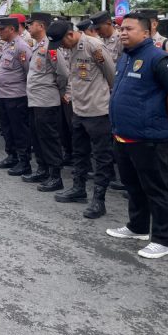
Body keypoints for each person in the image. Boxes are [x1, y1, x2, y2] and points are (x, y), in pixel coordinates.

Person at [106, 12, 168, 260]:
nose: (122, 33)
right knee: (133, 186)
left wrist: (162, 115)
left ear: (146, 31)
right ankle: (138, 227)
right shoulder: (126, 58)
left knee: (157, 189)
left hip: (149, 138)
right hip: (124, 135)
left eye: (128, 29)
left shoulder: (158, 58)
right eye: (121, 29)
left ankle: (162, 240)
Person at [48, 18, 116, 219]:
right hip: (78, 109)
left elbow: (111, 75)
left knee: (102, 157)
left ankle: (99, 200)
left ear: (70, 34)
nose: (61, 47)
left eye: (62, 42)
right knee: (80, 152)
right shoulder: (68, 48)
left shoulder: (93, 45)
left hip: (97, 110)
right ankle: (79, 188)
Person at [25, 12, 68, 191]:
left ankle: (55, 176)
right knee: (37, 137)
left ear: (41, 26)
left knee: (50, 139)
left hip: (47, 100)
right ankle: (42, 169)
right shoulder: (37, 46)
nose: (28, 26)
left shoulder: (52, 46)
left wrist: (59, 92)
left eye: (31, 23)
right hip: (35, 100)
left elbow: (63, 74)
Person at [0, 16, 33, 174]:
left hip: (17, 96)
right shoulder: (7, 45)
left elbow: (29, 71)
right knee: (7, 127)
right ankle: (12, 156)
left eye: (2, 29)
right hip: (4, 95)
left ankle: (24, 163)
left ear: (11, 29)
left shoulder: (21, 47)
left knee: (19, 130)